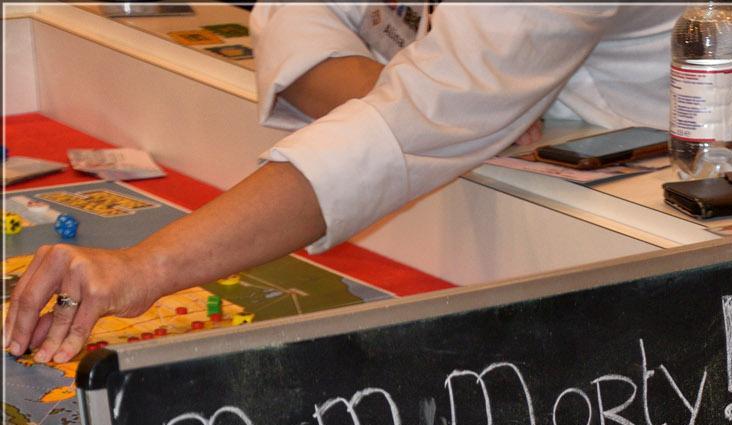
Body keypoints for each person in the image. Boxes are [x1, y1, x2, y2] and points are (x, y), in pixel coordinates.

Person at [2, 3, 680, 367]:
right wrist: (437, 105)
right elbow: (294, 19)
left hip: (628, 242)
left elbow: (412, 124)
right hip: (493, 195)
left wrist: (146, 265)